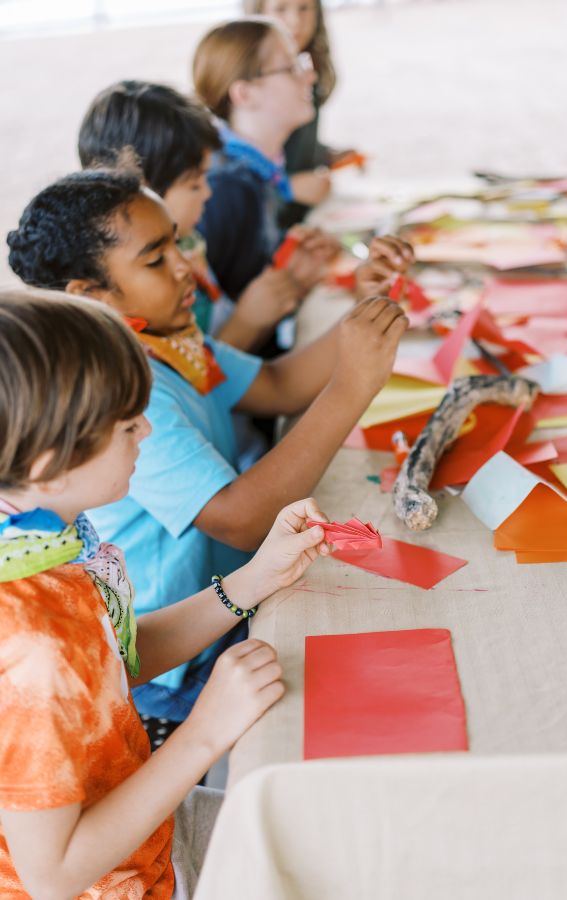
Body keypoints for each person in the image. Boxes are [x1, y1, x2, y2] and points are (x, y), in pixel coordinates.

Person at [7, 168, 409, 736]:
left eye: (179, 242)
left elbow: (276, 383)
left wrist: (365, 311)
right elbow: (242, 522)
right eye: (154, 258)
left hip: (203, 617)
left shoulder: (168, 340)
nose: (184, 266)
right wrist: (351, 388)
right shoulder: (130, 387)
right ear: (88, 294)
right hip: (179, 663)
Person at [0, 287, 331, 897]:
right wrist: (205, 731)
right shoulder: (29, 644)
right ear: (49, 463)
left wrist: (255, 578)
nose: (147, 428)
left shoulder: (41, 538)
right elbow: (53, 875)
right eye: (128, 423)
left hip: (149, 833)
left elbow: (108, 664)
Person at [78, 80, 301, 352]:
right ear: (143, 192)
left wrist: (293, 275)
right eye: (194, 184)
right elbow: (187, 379)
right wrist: (247, 323)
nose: (207, 193)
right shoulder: (132, 286)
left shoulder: (188, 242)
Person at [192, 16, 347, 354]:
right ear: (245, 93)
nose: (310, 74)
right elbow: (207, 342)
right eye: (292, 66)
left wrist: (294, 273)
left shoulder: (253, 172)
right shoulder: (226, 188)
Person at [243, 0, 358, 227]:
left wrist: (326, 154)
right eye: (280, 8)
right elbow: (233, 173)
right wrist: (286, 187)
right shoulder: (251, 81)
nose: (295, 21)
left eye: (304, 8)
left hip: (300, 225)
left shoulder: (308, 74)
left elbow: (290, 147)